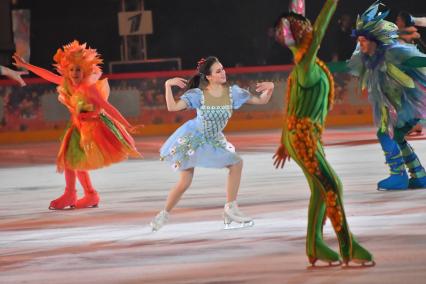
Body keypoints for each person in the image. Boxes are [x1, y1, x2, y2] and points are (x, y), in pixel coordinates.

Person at [273, 0, 374, 267]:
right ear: (301, 35)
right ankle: (347, 247)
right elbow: (319, 27)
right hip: (304, 139)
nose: (310, 28)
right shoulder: (305, 64)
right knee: (333, 186)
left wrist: (284, 142)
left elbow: (291, 106)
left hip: (301, 138)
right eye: (303, 26)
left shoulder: (303, 67)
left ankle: (314, 244)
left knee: (320, 190)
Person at [12, 40, 141, 209]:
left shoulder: (89, 88)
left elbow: (107, 107)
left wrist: (127, 125)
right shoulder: (67, 83)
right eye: (71, 69)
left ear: (85, 70)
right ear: (67, 70)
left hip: (93, 127)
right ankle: (84, 195)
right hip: (78, 127)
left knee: (72, 160)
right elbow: (47, 75)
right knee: (72, 160)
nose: (74, 73)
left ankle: (76, 194)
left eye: (78, 69)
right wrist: (26, 65)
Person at [150, 56, 274, 231]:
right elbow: (172, 107)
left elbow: (261, 100)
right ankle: (163, 215)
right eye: (218, 71)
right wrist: (167, 85)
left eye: (223, 69)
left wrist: (270, 88)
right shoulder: (198, 95)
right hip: (194, 138)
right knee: (185, 181)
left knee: (236, 163)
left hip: (214, 140)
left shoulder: (233, 93)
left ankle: (230, 209)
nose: (223, 73)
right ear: (208, 76)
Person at [349, 2, 426, 191]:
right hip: (398, 104)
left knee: (386, 133)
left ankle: (398, 175)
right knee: (397, 136)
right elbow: (352, 65)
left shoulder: (392, 52)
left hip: (411, 103)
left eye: (363, 40)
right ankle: (419, 175)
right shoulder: (368, 58)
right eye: (359, 40)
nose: (360, 44)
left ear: (375, 39)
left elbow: (414, 59)